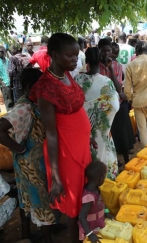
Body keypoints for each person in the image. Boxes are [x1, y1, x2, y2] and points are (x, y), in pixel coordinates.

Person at [29, 33, 92, 243]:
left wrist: (87, 136)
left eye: (76, 55)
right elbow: (51, 133)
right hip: (66, 153)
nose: (75, 59)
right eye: (70, 55)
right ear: (55, 55)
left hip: (80, 147)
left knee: (83, 195)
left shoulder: (66, 74)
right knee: (73, 207)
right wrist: (55, 176)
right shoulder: (46, 88)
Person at [0, 68, 57, 243]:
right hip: (29, 163)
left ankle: (27, 234)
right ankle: (47, 238)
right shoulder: (24, 107)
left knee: (27, 197)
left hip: (36, 160)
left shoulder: (34, 102)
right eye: (38, 87)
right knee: (40, 201)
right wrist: (19, 148)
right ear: (27, 86)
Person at [75, 47, 120, 180]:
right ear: (100, 61)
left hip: (83, 132)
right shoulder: (106, 82)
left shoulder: (77, 80)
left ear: (86, 61)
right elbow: (114, 105)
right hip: (103, 131)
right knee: (103, 156)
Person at [97, 39, 134, 165]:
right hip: (102, 106)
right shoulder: (95, 66)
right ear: (99, 51)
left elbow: (118, 88)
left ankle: (127, 161)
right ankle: (113, 162)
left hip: (115, 104)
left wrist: (111, 69)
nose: (107, 53)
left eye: (109, 50)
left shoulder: (116, 66)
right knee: (108, 136)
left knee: (122, 135)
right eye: (104, 51)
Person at [78, 161, 109, 242]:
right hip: (90, 227)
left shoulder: (96, 188)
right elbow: (81, 217)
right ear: (101, 178)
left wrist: (106, 212)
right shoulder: (89, 197)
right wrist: (90, 234)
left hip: (97, 223)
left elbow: (102, 202)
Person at [0, 45, 13, 110]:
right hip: (4, 85)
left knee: (12, 100)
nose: (1, 53)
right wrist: (3, 84)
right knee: (8, 102)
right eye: (0, 51)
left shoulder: (7, 60)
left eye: (2, 51)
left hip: (10, 83)